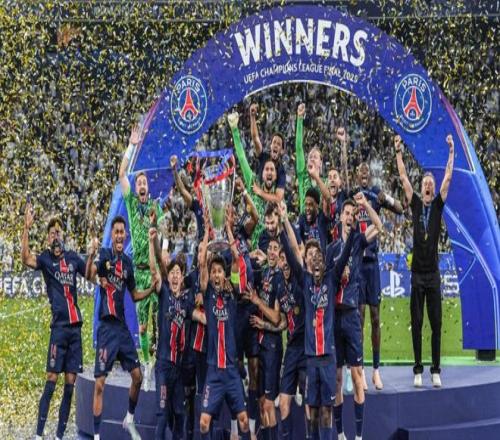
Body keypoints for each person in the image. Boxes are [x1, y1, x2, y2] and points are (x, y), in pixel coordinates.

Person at [281, 201, 355, 440]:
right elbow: (292, 256)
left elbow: (345, 255)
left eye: (318, 258)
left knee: (326, 412)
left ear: (323, 262)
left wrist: (352, 231)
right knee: (312, 412)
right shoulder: (304, 281)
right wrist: (282, 227)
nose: (314, 261)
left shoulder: (331, 279)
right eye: (311, 258)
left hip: (328, 358)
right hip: (311, 359)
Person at [86, 216, 157, 440]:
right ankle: (96, 435)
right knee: (100, 384)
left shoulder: (127, 263)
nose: (119, 235)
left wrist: (151, 290)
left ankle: (129, 418)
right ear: (112, 235)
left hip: (122, 329)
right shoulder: (105, 255)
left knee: (137, 376)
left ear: (125, 235)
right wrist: (91, 255)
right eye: (116, 231)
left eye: (121, 232)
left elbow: (134, 295)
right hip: (107, 328)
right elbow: (90, 275)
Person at [22, 204, 87, 440]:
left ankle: (59, 436)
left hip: (75, 330)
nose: (55, 236)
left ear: (62, 235)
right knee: (51, 380)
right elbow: (25, 258)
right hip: (58, 329)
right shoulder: (45, 259)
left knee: (70, 384)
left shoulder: (73, 258)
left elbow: (91, 274)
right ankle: (39, 435)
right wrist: (26, 228)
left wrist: (93, 255)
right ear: (48, 238)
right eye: (52, 233)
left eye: (58, 232)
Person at [395, 134, 454, 388]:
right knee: (417, 324)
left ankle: (436, 370)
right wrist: (398, 151)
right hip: (417, 275)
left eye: (431, 183)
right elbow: (403, 177)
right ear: (421, 188)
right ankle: (418, 369)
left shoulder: (438, 205)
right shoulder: (417, 204)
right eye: (425, 183)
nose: (428, 186)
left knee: (437, 324)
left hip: (433, 275)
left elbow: (448, 178)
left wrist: (451, 151)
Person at [327, 194, 383, 440]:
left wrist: (366, 205)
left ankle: (359, 437)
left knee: (357, 374)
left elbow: (379, 226)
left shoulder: (359, 241)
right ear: (341, 217)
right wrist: (338, 273)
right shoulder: (331, 249)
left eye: (353, 214)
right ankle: (340, 434)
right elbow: (326, 280)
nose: (349, 217)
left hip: (351, 316)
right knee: (337, 378)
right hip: (335, 316)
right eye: (347, 213)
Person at [148, 226, 205, 440]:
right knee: (163, 416)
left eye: (177, 274)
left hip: (178, 369)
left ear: (182, 279)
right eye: (171, 273)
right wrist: (152, 243)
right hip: (163, 366)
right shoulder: (164, 294)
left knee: (180, 415)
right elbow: (154, 270)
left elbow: (201, 317)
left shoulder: (187, 301)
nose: (174, 276)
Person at [119, 124, 165, 390]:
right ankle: (146, 364)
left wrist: (161, 244)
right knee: (144, 327)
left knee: (160, 319)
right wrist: (132, 146)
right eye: (139, 182)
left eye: (144, 182)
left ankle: (160, 362)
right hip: (138, 272)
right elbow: (121, 174)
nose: (142, 184)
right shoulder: (131, 203)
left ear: (148, 186)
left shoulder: (155, 207)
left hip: (154, 270)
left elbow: (161, 235)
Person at [198, 210, 249, 439]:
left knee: (244, 420)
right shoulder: (208, 295)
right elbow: (202, 263)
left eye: (220, 271)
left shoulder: (232, 294)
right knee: (204, 423)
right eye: (214, 272)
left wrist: (228, 229)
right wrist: (207, 231)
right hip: (213, 371)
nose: (216, 275)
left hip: (231, 370)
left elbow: (237, 260)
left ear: (224, 274)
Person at [352, 160, 403, 390]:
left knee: (374, 317)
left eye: (367, 170)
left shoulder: (375, 194)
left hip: (372, 265)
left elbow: (400, 208)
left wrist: (387, 199)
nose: (364, 172)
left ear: (370, 175)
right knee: (359, 317)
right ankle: (360, 370)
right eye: (360, 170)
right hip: (357, 264)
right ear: (356, 176)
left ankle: (376, 371)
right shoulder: (352, 196)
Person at [244, 236, 284, 440]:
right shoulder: (265, 273)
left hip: (272, 347)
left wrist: (257, 302)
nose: (272, 251)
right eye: (270, 248)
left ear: (280, 254)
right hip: (260, 342)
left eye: (276, 248)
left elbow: (276, 318)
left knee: (269, 404)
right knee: (261, 402)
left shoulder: (280, 279)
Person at [295, 103, 331, 213]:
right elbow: (299, 148)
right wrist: (300, 119)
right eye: (310, 156)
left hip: (320, 222)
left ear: (320, 163)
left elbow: (329, 201)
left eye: (315, 157)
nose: (311, 158)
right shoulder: (302, 175)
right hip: (303, 221)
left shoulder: (326, 182)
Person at [249, 102, 286, 204]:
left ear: (282, 151)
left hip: (270, 209)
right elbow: (255, 138)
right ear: (270, 146)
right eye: (274, 142)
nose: (275, 145)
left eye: (279, 144)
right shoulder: (263, 156)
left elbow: (278, 198)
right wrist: (252, 117)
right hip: (256, 203)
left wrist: (260, 192)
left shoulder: (281, 171)